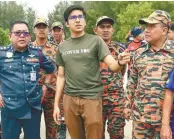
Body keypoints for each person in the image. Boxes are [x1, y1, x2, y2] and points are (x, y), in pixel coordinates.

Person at [53, 5, 130, 139]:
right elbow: (60, 76)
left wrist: (120, 62)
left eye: (80, 17)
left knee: (95, 135)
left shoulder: (96, 41)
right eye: (73, 17)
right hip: (70, 98)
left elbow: (112, 65)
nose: (77, 20)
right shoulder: (62, 46)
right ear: (66, 23)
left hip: (92, 98)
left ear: (85, 21)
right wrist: (56, 104)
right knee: (76, 136)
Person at [124, 10, 174, 138]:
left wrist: (166, 123)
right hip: (141, 117)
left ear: (164, 30)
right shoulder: (138, 53)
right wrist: (127, 105)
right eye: (146, 26)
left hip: (166, 120)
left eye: (152, 26)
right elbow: (132, 82)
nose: (146, 30)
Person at [0, 21, 55, 139]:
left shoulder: (37, 53)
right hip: (10, 107)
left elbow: (51, 70)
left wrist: (45, 86)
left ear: (29, 37)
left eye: (25, 33)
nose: (21, 36)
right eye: (17, 33)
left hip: (33, 106)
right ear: (10, 36)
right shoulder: (2, 53)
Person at [93, 16, 126, 139]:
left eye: (108, 27)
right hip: (95, 98)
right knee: (95, 134)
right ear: (95, 30)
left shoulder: (120, 49)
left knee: (117, 133)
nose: (105, 30)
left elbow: (122, 72)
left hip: (116, 99)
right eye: (102, 27)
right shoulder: (90, 50)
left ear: (113, 30)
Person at [32, 17, 58, 139]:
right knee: (32, 128)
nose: (41, 30)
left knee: (53, 129)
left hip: (52, 93)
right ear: (34, 30)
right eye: (38, 27)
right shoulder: (28, 48)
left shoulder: (56, 48)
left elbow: (61, 70)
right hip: (33, 94)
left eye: (44, 27)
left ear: (48, 29)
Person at [51, 21, 67, 139]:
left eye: (59, 30)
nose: (57, 33)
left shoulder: (67, 45)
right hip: (50, 84)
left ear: (62, 31)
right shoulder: (48, 47)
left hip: (64, 83)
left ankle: (62, 128)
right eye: (54, 30)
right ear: (51, 32)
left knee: (62, 107)